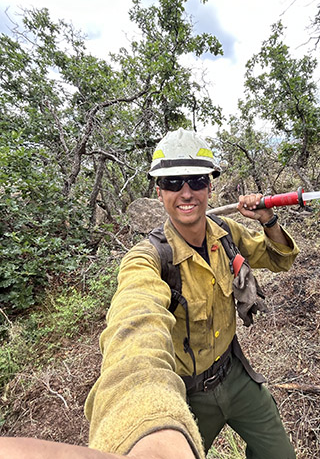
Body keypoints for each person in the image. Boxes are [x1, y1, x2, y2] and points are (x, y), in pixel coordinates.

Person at [0, 128, 299, 459]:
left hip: (236, 375)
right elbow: (134, 323)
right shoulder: (148, 258)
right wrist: (147, 416)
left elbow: (279, 258)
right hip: (187, 395)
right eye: (173, 183)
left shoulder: (227, 233)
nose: (186, 193)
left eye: (196, 181)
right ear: (159, 192)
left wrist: (268, 219)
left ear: (209, 186)